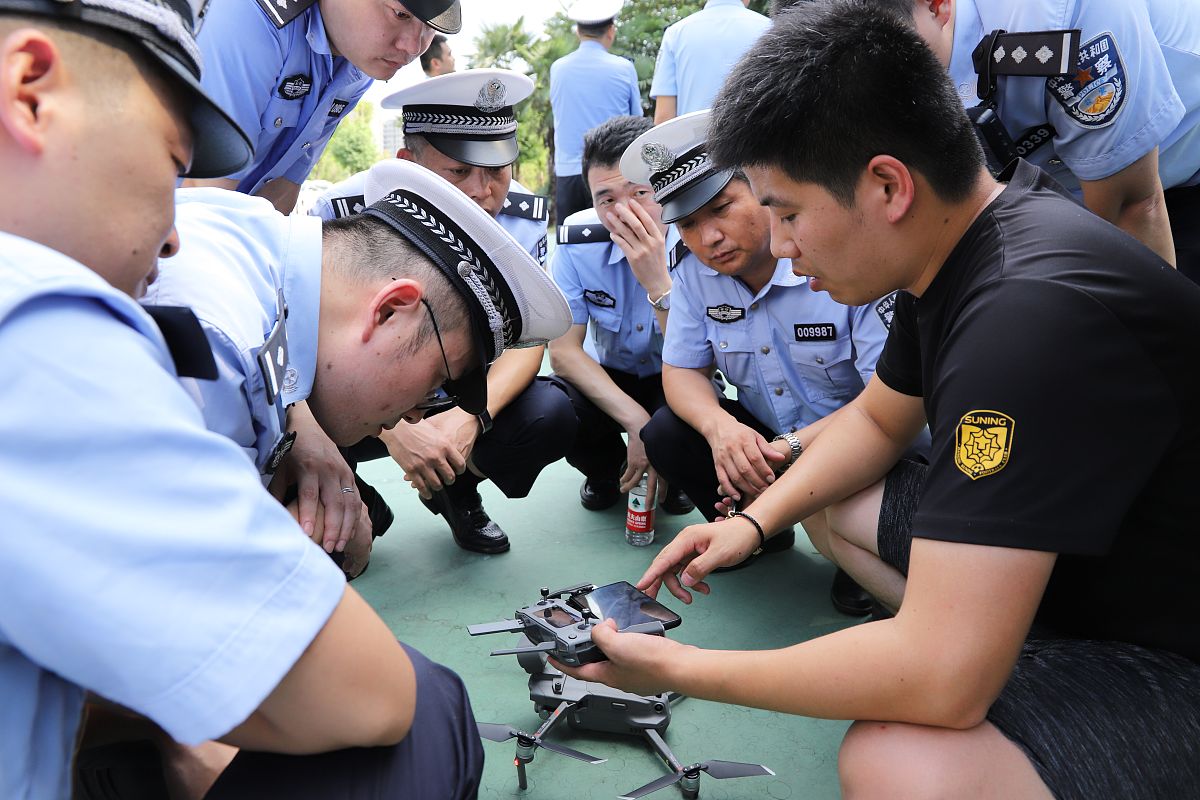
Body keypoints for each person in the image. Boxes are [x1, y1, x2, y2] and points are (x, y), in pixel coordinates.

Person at [558, 3, 1200, 798]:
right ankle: (1013, 642)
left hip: (1169, 650)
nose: (782, 244)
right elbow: (876, 418)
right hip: (1100, 569)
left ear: (887, 184)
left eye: (787, 212)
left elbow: (941, 681)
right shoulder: (971, 244)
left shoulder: (1020, 321)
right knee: (839, 502)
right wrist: (752, 525)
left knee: (897, 762)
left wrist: (677, 666)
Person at [0, 0, 483, 798]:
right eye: (167, 164)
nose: (175, 236)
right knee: (431, 709)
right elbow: (373, 695)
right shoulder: (40, 329)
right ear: (29, 90)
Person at [146, 158, 571, 577]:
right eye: (437, 380)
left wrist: (299, 430)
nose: (418, 414)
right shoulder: (220, 352)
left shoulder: (255, 233)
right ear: (390, 311)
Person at [627, 110, 901, 607]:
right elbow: (682, 370)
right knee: (668, 430)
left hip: (862, 441)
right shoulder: (692, 272)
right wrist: (720, 428)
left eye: (722, 208)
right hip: (771, 443)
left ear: (760, 188)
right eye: (688, 224)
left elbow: (890, 402)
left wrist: (789, 450)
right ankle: (764, 531)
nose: (708, 237)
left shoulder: (836, 257)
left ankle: (843, 547)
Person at [312, 70, 577, 555]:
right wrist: (400, 433)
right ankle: (348, 490)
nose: (482, 192)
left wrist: (467, 421)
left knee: (551, 412)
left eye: (497, 170)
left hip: (456, 391)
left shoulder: (522, 219)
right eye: (458, 172)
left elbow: (526, 346)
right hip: (356, 395)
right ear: (407, 162)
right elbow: (306, 346)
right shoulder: (343, 211)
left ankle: (458, 491)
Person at [868, 0, 1200, 278]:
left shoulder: (1055, 18)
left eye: (899, 60)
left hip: (1170, 177)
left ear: (935, 5)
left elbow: (1133, 209)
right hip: (1068, 210)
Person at [182, 0, 461, 214]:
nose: (413, 46)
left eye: (429, 26)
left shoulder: (358, 66)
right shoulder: (254, 19)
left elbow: (282, 190)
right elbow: (201, 198)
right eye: (400, 14)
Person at [548, 115, 694, 517]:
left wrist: (656, 281)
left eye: (639, 192)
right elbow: (563, 353)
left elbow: (708, 352)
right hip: (612, 372)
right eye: (606, 199)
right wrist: (637, 421)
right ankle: (605, 471)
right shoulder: (578, 243)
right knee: (557, 406)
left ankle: (673, 472)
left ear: (664, 188)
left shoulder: (695, 236)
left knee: (690, 417)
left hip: (678, 369)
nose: (623, 211)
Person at [549, 0, 642, 221]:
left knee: (572, 243)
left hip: (569, 174)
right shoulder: (624, 68)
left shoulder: (558, 69)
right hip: (615, 175)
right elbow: (637, 124)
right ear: (611, 31)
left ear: (578, 32)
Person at [649, 0, 768, 123]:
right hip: (753, 139)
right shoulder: (769, 29)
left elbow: (663, 117)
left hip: (692, 140)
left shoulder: (675, 34)